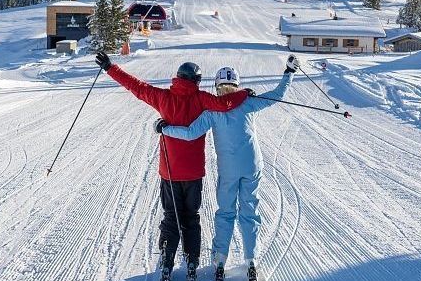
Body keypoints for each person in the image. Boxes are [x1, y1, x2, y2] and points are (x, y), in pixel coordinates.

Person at [94, 52, 249, 281]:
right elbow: (225, 104)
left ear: (177, 77)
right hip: (194, 173)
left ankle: (167, 261)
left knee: (171, 216)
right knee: (191, 217)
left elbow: (135, 86)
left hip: (170, 172)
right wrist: (244, 93)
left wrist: (109, 67)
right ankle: (192, 262)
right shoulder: (202, 99)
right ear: (196, 81)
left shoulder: (162, 97)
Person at [155, 55, 299, 281]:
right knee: (250, 212)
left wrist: (166, 129)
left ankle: (220, 259)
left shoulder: (212, 111)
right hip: (252, 166)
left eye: (224, 88)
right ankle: (251, 259)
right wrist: (289, 73)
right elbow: (277, 95)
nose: (227, 92)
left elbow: (190, 132)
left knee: (226, 213)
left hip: (229, 171)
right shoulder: (248, 102)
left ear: (217, 87)